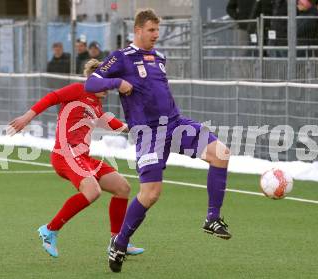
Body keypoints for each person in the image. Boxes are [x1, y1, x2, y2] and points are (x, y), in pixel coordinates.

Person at [85, 9, 231, 273]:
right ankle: (119, 243)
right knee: (151, 194)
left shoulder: (159, 57)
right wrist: (118, 82)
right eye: (151, 30)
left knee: (220, 153)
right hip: (148, 133)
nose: (156, 35)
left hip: (175, 124)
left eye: (157, 30)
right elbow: (91, 84)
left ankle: (213, 217)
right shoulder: (122, 57)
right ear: (138, 30)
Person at [8, 59, 144, 258]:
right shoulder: (78, 90)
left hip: (82, 157)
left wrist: (143, 127)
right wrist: (26, 118)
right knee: (92, 191)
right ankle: (50, 230)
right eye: (105, 84)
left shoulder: (96, 106)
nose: (108, 89)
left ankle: (117, 241)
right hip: (66, 154)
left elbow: (116, 125)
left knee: (122, 188)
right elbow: (51, 97)